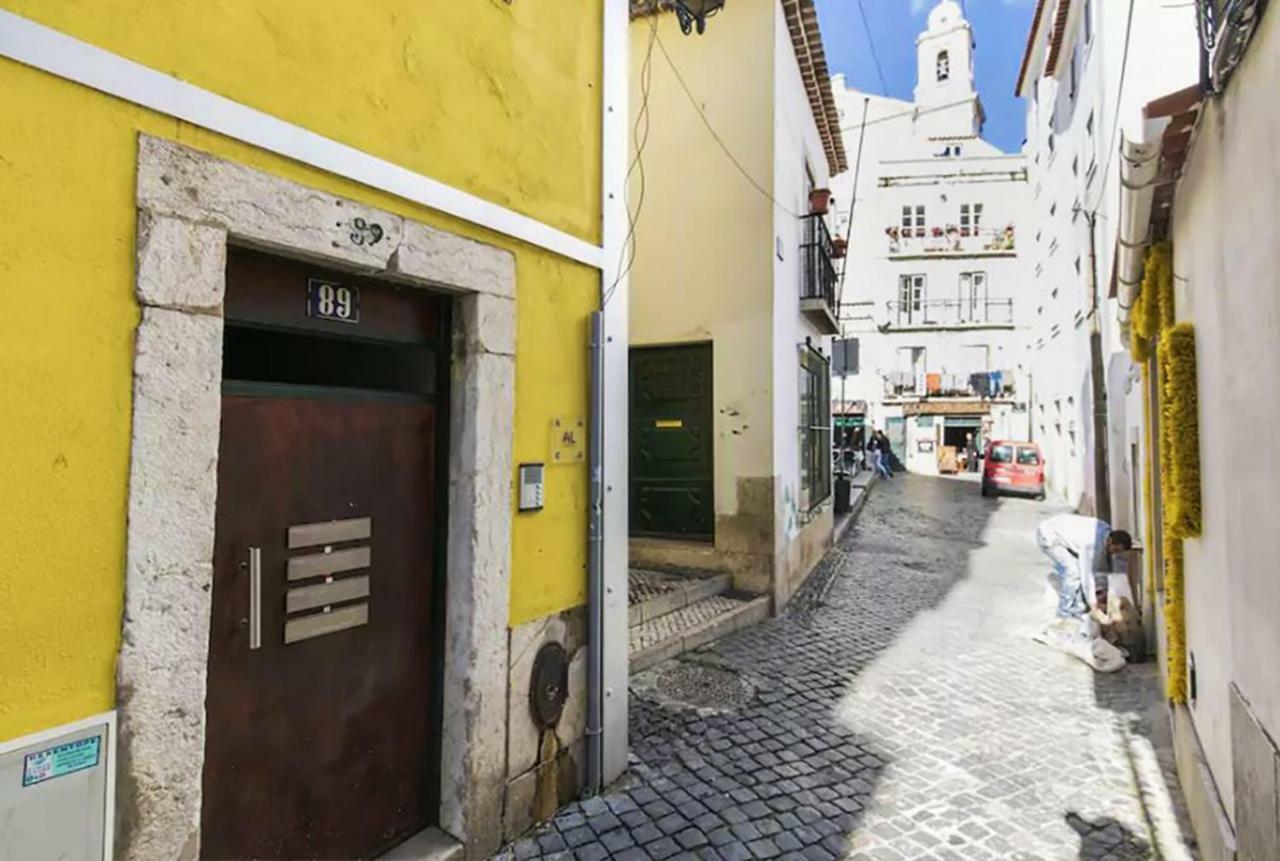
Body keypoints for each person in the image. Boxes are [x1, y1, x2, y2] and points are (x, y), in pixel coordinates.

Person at [1035, 514, 1133, 620]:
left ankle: (1078, 609)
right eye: (1115, 550)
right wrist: (1093, 605)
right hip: (1048, 535)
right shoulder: (1091, 545)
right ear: (1110, 541)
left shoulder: (1106, 532)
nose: (1113, 554)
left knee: (1077, 571)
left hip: (1061, 531)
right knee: (1073, 572)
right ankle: (1064, 614)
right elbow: (1087, 577)